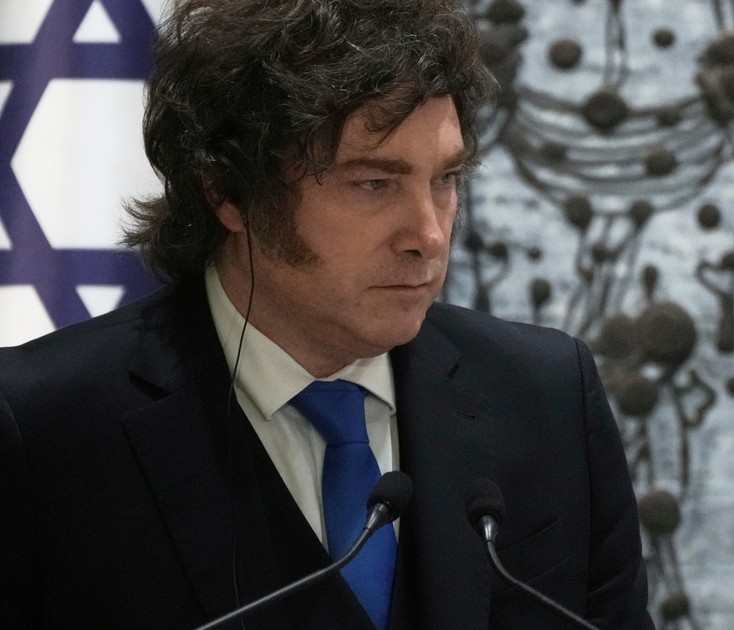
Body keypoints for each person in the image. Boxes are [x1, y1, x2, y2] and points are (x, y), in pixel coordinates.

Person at [0, 0, 652, 628]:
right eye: (373, 184)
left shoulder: (547, 396)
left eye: (445, 180)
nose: (429, 235)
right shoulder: (41, 428)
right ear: (229, 191)